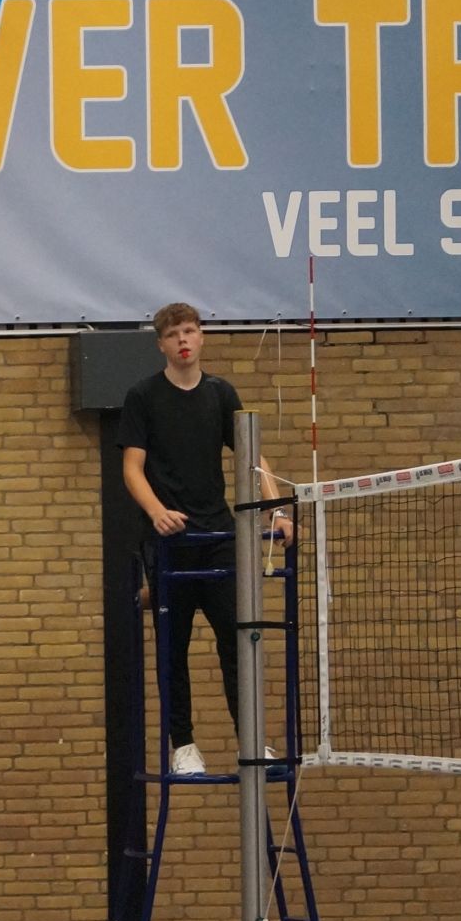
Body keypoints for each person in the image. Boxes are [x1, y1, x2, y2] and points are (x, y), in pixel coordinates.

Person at [119, 302, 289, 776]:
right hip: (169, 542)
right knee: (173, 648)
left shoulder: (221, 393)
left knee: (237, 640)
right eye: (174, 334)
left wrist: (277, 510)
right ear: (161, 344)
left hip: (219, 536)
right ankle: (184, 746)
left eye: (190, 331)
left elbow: (253, 458)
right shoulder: (143, 396)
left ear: (201, 337)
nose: (183, 340)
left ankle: (251, 739)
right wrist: (157, 513)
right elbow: (132, 468)